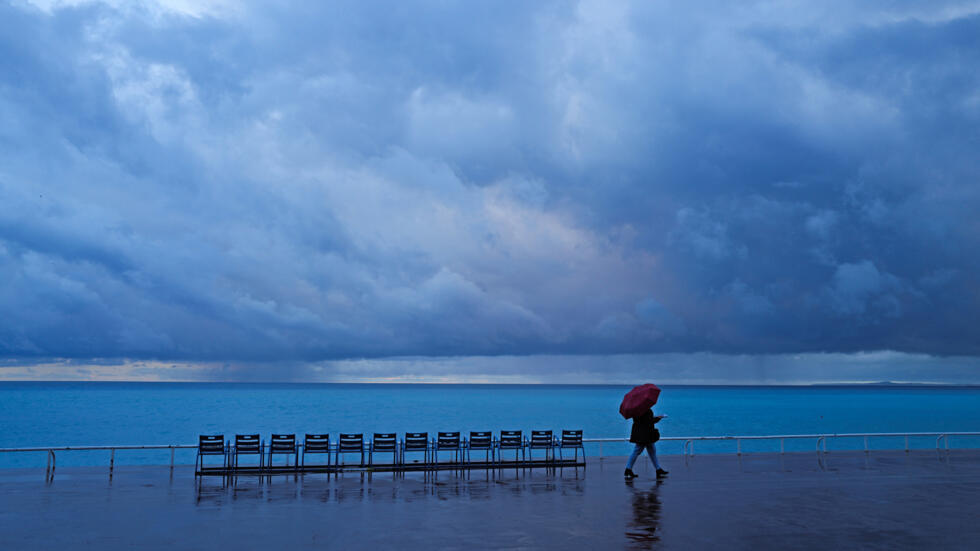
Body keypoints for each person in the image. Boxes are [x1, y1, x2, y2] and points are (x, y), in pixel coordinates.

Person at [624, 409, 668, 479]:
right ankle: (628, 469)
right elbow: (649, 421)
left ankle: (658, 469)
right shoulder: (645, 410)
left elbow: (644, 420)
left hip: (641, 434)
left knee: (651, 451)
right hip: (645, 435)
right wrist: (659, 418)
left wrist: (656, 418)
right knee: (638, 451)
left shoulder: (636, 410)